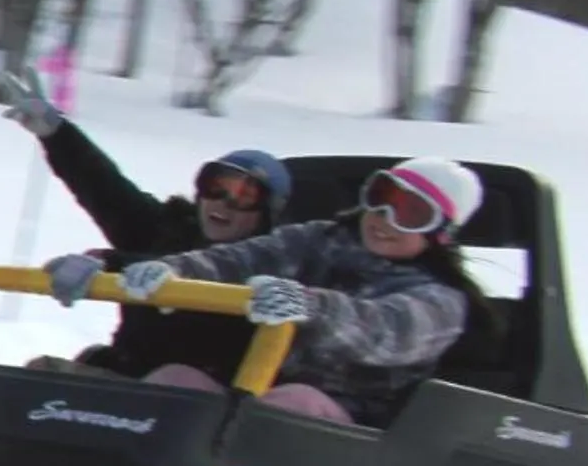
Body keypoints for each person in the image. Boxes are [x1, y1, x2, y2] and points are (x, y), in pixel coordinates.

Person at [43, 156, 486, 426]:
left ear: (441, 233)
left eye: (411, 212)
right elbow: (239, 260)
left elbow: (381, 331)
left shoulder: (441, 300)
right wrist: (168, 270)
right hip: (250, 392)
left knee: (288, 409)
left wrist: (310, 306)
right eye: (381, 195)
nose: (385, 217)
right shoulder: (319, 240)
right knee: (176, 382)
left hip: (351, 424)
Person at [3, 65, 292, 381]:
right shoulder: (167, 230)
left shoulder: (269, 263)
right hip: (128, 379)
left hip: (199, 400)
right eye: (216, 186)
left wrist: (112, 262)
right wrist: (57, 134)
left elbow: (189, 276)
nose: (224, 202)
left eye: (245, 195)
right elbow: (105, 189)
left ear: (266, 212)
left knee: (171, 377)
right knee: (40, 376)